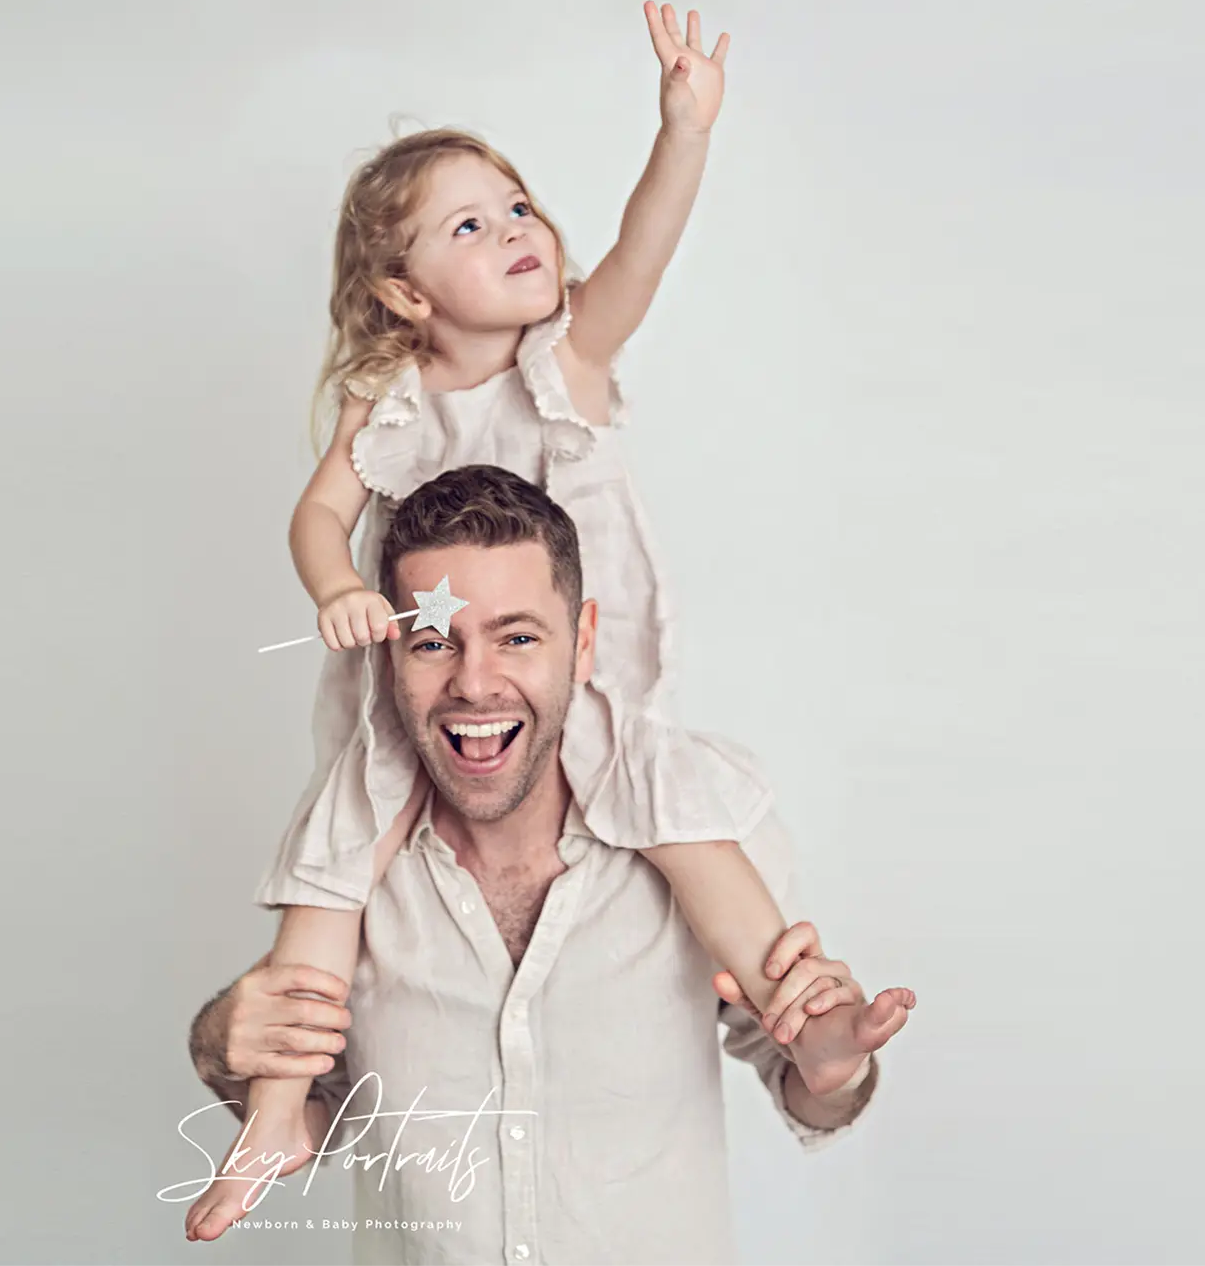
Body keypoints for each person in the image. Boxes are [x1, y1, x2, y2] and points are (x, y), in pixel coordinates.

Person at [195, 1, 856, 1239]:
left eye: (518, 209)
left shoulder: (565, 363)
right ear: (401, 288)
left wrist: (684, 134)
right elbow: (315, 516)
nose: (514, 232)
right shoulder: (382, 407)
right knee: (333, 858)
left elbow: (642, 254)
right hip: (420, 683)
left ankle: (801, 1009)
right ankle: (276, 1108)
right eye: (469, 224)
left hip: (581, 695)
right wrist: (337, 588)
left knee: (682, 824)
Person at [183, 464, 918, 1261]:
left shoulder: (698, 828)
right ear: (390, 657)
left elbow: (811, 1080)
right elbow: (313, 1121)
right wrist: (221, 1049)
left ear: (585, 642)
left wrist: (835, 1067)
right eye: (434, 643)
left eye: (518, 637)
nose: (474, 683)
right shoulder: (349, 863)